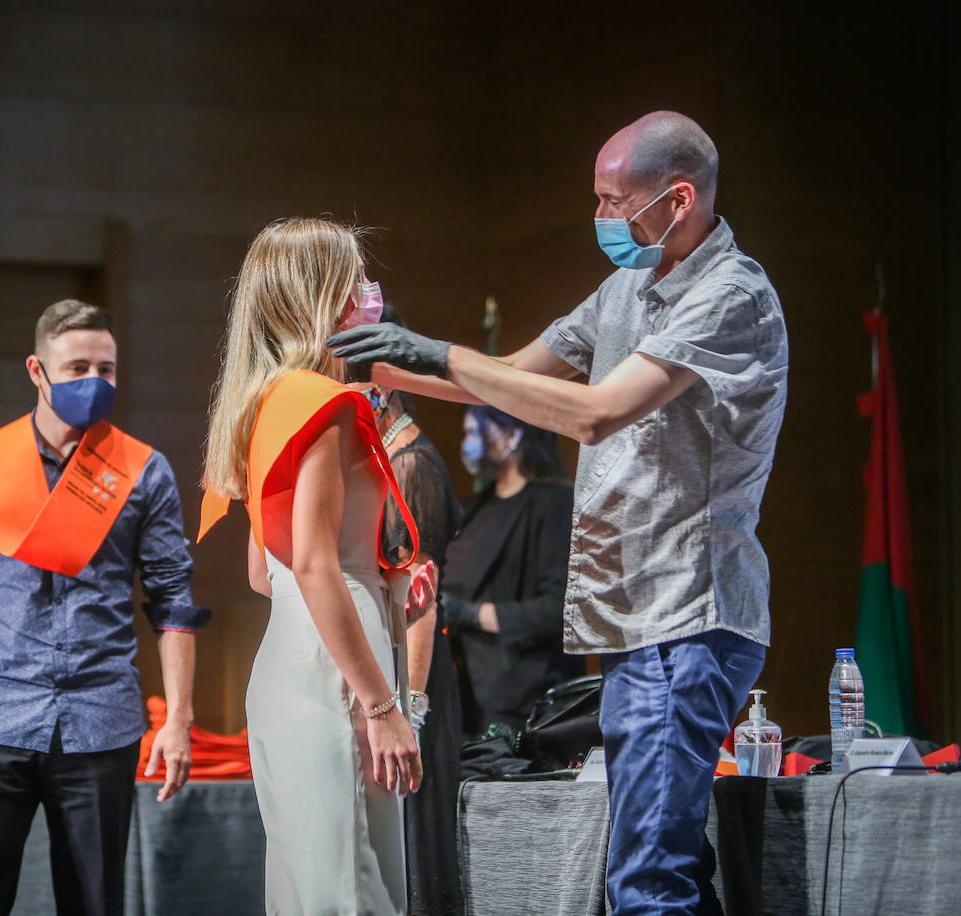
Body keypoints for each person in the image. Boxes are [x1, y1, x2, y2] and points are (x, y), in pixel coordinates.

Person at [330, 111, 788, 916]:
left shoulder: (731, 294)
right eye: (598, 199)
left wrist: (432, 354)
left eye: (617, 202)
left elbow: (595, 414)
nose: (603, 218)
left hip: (686, 616)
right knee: (669, 865)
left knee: (646, 880)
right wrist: (380, 363)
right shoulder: (624, 287)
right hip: (632, 622)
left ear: (678, 200)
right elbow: (504, 378)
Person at [0, 300, 208, 916]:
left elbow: (173, 604)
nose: (93, 383)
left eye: (107, 368)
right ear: (37, 371)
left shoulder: (143, 472)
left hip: (103, 719)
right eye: (76, 368)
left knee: (95, 904)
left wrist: (179, 719)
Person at [198, 217, 423, 915]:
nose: (368, 291)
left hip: (288, 662)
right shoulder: (324, 401)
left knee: (309, 895)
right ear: (318, 294)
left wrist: (378, 572)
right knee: (355, 894)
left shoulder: (263, 401)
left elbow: (268, 574)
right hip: (339, 668)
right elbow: (319, 567)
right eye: (356, 279)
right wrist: (383, 706)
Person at [359, 305, 465, 916]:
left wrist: (411, 710)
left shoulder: (412, 463)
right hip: (390, 675)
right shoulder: (380, 457)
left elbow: (421, 603)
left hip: (415, 680)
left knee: (416, 851)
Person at [440, 406, 578, 736]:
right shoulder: (476, 508)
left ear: (513, 435)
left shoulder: (554, 504)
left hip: (523, 702)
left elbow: (559, 610)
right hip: (468, 693)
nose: (467, 443)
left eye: (475, 432)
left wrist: (471, 614)